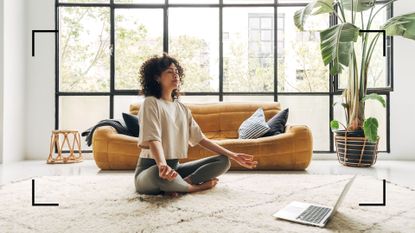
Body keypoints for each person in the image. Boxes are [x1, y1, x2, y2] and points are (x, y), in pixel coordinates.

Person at [134, 53, 258, 197]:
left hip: (175, 169)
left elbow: (201, 139)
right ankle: (194, 188)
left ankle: (183, 183)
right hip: (150, 171)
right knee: (158, 173)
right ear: (156, 77)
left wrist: (234, 155)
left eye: (177, 72)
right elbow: (153, 138)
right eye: (169, 72)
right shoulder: (151, 103)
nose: (175, 75)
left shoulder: (182, 109)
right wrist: (162, 164)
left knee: (223, 161)